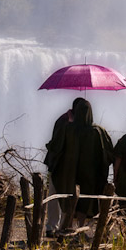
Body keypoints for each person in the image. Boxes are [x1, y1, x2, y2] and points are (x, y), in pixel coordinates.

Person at [51, 98, 114, 230]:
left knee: (70, 199)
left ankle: (68, 227)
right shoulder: (98, 131)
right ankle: (80, 227)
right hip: (90, 174)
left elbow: (56, 148)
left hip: (70, 172)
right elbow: (108, 153)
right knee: (85, 201)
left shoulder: (68, 129)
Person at [43, 97, 85, 237]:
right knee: (55, 195)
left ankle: (62, 226)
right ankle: (51, 227)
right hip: (57, 164)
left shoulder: (73, 121)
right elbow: (56, 144)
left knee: (66, 195)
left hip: (67, 166)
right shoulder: (64, 121)